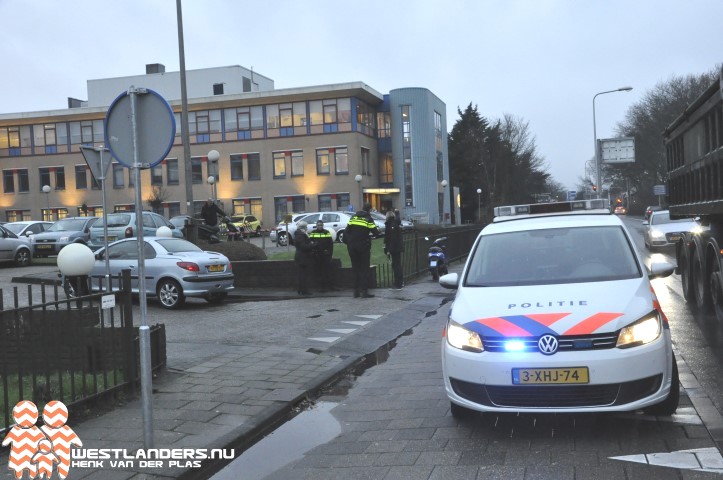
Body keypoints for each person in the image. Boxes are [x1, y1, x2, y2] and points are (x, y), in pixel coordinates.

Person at [344, 202, 380, 298]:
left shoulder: (354, 217)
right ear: (370, 210)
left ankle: (355, 292)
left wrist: (350, 242)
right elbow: (376, 233)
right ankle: (364, 291)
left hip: (352, 247)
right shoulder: (368, 219)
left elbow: (347, 231)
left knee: (355, 268)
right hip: (363, 247)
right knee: (364, 269)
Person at [309, 220, 337, 292]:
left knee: (327, 271)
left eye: (321, 225)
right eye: (318, 225)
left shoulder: (326, 232)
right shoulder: (313, 233)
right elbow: (310, 242)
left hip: (325, 255)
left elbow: (330, 244)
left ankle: (330, 286)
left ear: (323, 225)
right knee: (319, 272)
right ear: (316, 226)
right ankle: (321, 287)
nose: (320, 226)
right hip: (317, 256)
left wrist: (329, 253)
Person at [293, 221, 315, 296]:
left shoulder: (298, 234)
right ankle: (304, 290)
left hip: (300, 257)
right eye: (306, 227)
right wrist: (312, 245)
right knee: (303, 275)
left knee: (301, 274)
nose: (307, 228)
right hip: (303, 257)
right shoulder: (301, 235)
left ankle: (301, 289)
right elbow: (303, 247)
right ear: (304, 228)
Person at [384, 209, 404, 290]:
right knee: (397, 265)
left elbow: (389, 238)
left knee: (396, 266)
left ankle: (398, 283)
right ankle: (400, 282)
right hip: (397, 247)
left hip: (394, 248)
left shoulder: (390, 225)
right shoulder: (395, 223)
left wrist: (388, 249)